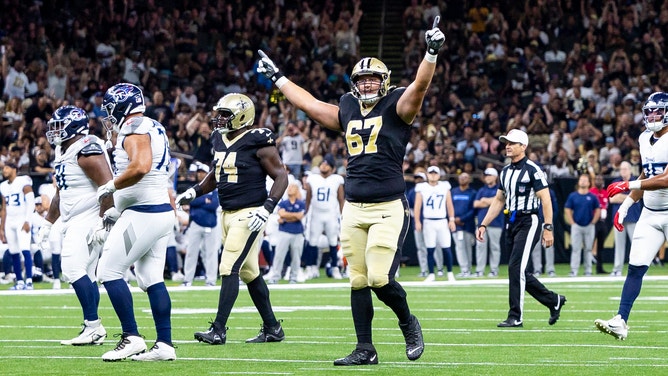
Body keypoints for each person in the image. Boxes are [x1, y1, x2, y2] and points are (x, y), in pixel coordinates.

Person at [256, 15, 445, 366]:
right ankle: (365, 349)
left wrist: (431, 53)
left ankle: (408, 322)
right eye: (363, 78)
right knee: (358, 280)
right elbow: (310, 105)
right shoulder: (346, 106)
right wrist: (278, 78)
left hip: (388, 205)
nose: (369, 83)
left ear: (384, 82)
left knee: (378, 277)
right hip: (354, 207)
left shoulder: (398, 105)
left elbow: (419, 87)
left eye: (374, 78)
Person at [176, 93, 288, 346]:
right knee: (250, 273)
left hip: (250, 214)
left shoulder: (259, 140)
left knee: (228, 268)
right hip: (226, 213)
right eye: (219, 114)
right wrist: (194, 191)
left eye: (225, 115)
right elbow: (217, 174)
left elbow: (282, 176)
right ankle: (272, 327)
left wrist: (267, 207)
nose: (219, 119)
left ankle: (218, 330)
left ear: (242, 116)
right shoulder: (219, 138)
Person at [95, 83, 176, 361]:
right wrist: (118, 207)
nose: (107, 114)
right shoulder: (152, 125)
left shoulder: (134, 126)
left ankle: (131, 337)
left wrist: (111, 186)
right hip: (159, 210)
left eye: (109, 107)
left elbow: (141, 166)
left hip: (146, 212)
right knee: (151, 277)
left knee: (107, 271)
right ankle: (164, 344)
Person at [36, 106, 113, 345]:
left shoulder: (86, 148)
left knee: (71, 267)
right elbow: (61, 193)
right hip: (74, 218)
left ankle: (94, 326)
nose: (54, 131)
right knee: (86, 273)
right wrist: (48, 223)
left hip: (89, 216)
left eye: (59, 125)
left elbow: (108, 185)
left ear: (74, 125)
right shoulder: (65, 150)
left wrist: (103, 220)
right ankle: (92, 326)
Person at [595, 92, 668, 340]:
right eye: (649, 111)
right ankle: (621, 320)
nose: (652, 116)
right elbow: (645, 179)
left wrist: (627, 185)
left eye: (657, 111)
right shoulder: (644, 138)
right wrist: (626, 205)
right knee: (635, 267)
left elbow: (666, 179)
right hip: (650, 213)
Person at [476, 129, 566, 328]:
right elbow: (499, 200)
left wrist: (548, 227)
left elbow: (546, 199)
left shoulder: (533, 169)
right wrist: (484, 223)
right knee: (518, 270)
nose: (507, 145)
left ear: (523, 146)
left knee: (516, 268)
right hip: (512, 222)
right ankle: (553, 300)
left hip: (529, 221)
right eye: (506, 142)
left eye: (512, 143)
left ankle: (515, 316)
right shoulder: (505, 171)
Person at [303, 155, 345, 279]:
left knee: (333, 241)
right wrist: (306, 213)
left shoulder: (336, 179)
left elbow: (341, 199)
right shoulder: (313, 179)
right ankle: (311, 268)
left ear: (332, 168)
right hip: (316, 214)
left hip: (331, 214)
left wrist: (342, 215)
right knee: (312, 241)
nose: (323, 166)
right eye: (322, 164)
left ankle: (335, 267)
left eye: (326, 164)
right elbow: (308, 199)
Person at [180, 162, 221, 287]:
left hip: (211, 224)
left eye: (203, 172)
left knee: (211, 253)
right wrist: (205, 200)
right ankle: (187, 279)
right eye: (199, 173)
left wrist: (199, 201)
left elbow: (214, 204)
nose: (200, 175)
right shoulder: (193, 188)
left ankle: (211, 280)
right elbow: (189, 201)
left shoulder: (214, 188)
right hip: (196, 223)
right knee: (192, 252)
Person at [414, 165, 456, 282]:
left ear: (438, 175)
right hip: (428, 221)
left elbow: (449, 204)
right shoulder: (421, 187)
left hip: (442, 220)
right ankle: (431, 273)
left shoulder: (444, 186)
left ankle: (450, 273)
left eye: (435, 173)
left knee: (446, 247)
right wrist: (417, 221)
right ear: (427, 175)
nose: (433, 175)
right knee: (430, 248)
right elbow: (417, 206)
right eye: (431, 173)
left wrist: (451, 219)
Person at [1, 162, 35, 290]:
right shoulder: (3, 186)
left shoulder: (23, 181)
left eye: (7, 168)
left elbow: (31, 201)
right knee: (14, 251)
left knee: (25, 249)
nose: (4, 170)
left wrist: (28, 220)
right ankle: (20, 281)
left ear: (14, 169)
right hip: (10, 221)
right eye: (4, 168)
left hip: (22, 219)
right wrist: (2, 227)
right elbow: (3, 208)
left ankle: (30, 280)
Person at [265, 181, 306, 284]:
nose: (290, 189)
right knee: (279, 255)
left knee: (296, 256)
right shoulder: (283, 202)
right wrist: (293, 216)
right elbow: (281, 213)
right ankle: (275, 276)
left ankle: (293, 277)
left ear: (297, 190)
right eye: (289, 187)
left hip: (297, 232)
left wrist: (287, 217)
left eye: (292, 187)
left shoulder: (301, 203)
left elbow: (299, 216)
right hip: (284, 232)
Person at [608, 161, 641, 277]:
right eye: (621, 169)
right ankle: (617, 269)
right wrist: (629, 197)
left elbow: (637, 198)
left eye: (625, 169)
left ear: (630, 170)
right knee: (619, 245)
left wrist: (622, 197)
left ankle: (639, 269)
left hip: (633, 217)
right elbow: (612, 199)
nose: (623, 171)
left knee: (636, 244)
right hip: (618, 218)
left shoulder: (636, 181)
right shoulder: (615, 182)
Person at [564, 174, 600, 277]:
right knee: (575, 248)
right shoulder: (573, 196)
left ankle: (588, 270)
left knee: (588, 249)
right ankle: (574, 270)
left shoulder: (592, 197)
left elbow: (597, 209)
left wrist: (593, 222)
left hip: (589, 225)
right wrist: (572, 222)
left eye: (585, 180)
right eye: (581, 180)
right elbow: (567, 209)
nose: (583, 182)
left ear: (589, 183)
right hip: (577, 226)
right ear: (578, 182)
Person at [473, 167, 504, 277]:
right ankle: (479, 270)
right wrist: (491, 201)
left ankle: (494, 269)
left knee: (494, 247)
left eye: (489, 175)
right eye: (486, 175)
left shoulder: (499, 188)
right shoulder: (482, 190)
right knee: (480, 247)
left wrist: (485, 200)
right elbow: (476, 204)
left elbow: (499, 201)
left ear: (495, 177)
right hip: (482, 223)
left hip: (496, 222)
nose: (487, 177)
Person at [451, 172, 477, 277]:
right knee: (459, 247)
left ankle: (468, 269)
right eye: (461, 177)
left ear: (469, 179)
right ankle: (463, 269)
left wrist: (462, 219)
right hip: (456, 226)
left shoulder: (473, 193)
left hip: (468, 225)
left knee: (467, 248)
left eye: (465, 177)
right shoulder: (453, 192)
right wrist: (453, 219)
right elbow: (449, 206)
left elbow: (474, 209)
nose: (463, 179)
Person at [406, 171, 431, 277]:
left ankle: (439, 268)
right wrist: (416, 220)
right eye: (417, 178)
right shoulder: (412, 192)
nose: (418, 180)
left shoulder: (430, 189)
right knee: (421, 247)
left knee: (434, 246)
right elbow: (408, 206)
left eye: (420, 178)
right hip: (418, 223)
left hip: (431, 221)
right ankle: (424, 270)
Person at [590, 174, 610, 274]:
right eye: (597, 179)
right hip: (593, 221)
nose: (599, 181)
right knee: (590, 245)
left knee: (600, 246)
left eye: (601, 179)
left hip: (602, 222)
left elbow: (605, 206)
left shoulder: (605, 192)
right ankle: (587, 268)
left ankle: (599, 268)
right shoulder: (591, 192)